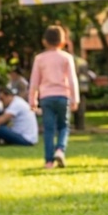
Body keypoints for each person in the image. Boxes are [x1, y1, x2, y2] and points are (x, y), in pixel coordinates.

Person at [28, 25, 80, 169]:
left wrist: (32, 100)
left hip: (46, 98)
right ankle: (60, 149)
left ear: (44, 41)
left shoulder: (39, 59)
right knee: (64, 126)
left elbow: (34, 81)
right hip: (63, 96)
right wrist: (75, 99)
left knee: (49, 129)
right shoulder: (66, 58)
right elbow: (72, 79)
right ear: (63, 42)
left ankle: (49, 161)